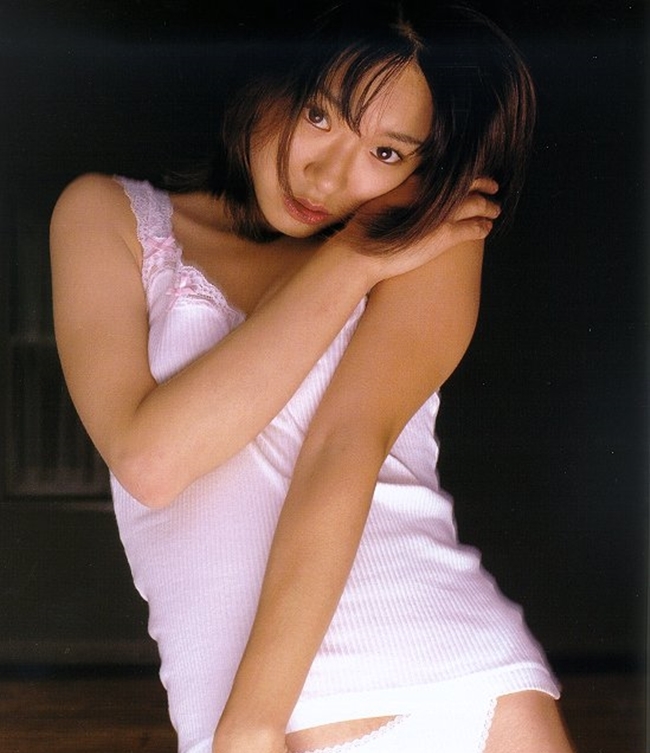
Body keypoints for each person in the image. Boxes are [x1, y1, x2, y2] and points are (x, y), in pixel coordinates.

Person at [50, 2, 575, 752]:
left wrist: (252, 722)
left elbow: (344, 447)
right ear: (269, 79)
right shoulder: (109, 218)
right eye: (321, 116)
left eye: (387, 152)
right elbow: (152, 460)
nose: (329, 176)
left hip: (452, 686)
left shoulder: (430, 233)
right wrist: (351, 260)